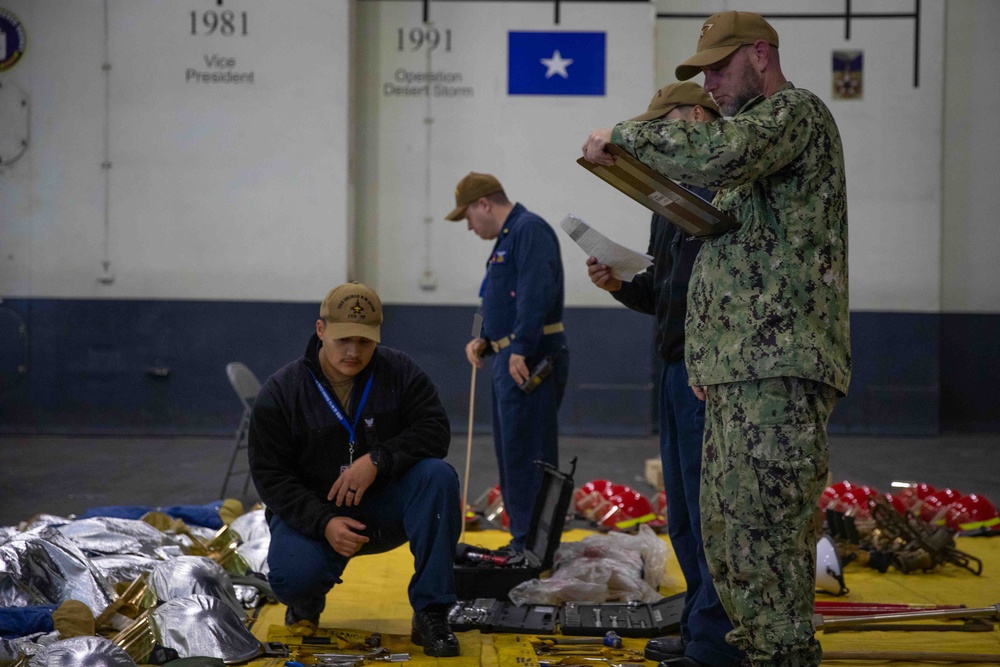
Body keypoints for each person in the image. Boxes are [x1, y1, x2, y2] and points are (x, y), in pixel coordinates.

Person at [582, 11, 850, 667]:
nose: (710, 81)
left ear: (761, 54)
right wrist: (705, 350)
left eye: (720, 66)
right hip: (735, 374)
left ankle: (780, 654)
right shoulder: (751, 154)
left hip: (778, 372)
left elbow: (717, 151)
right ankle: (745, 650)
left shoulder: (795, 115)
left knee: (770, 534)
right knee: (729, 540)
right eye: (703, 69)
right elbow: (733, 251)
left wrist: (623, 136)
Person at [587, 82, 741, 667]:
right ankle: (699, 621)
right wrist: (620, 283)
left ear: (699, 117)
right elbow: (661, 292)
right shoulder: (667, 203)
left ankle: (714, 638)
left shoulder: (724, 197)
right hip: (673, 371)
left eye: (668, 121)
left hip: (706, 374)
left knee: (708, 513)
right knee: (680, 509)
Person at [248, 281, 462, 657]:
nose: (353, 351)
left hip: (384, 509)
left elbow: (435, 431)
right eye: (343, 339)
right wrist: (323, 522)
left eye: (365, 341)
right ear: (321, 331)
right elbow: (271, 478)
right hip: (317, 517)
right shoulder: (282, 392)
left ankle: (431, 612)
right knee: (293, 578)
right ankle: (307, 603)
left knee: (438, 477)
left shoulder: (399, 372)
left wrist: (379, 459)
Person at [445, 172, 569, 553]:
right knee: (513, 456)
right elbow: (492, 295)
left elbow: (535, 294)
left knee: (529, 456)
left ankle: (532, 550)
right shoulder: (507, 239)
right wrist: (479, 334)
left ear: (485, 203)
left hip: (527, 360)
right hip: (506, 357)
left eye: (467, 216)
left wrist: (521, 347)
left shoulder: (529, 230)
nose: (468, 226)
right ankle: (522, 543)